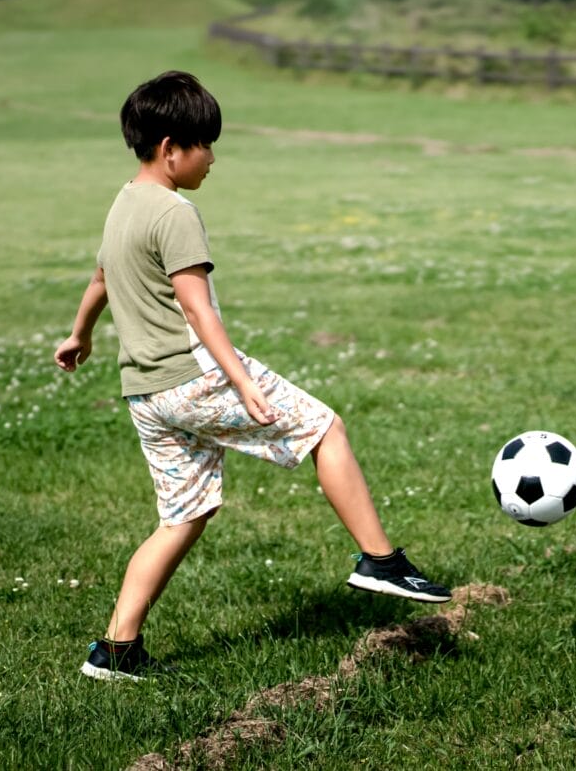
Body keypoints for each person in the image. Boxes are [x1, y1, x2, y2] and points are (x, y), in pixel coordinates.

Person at [54, 70, 451, 681]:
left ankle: (115, 650)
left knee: (182, 516)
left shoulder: (122, 204)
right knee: (325, 428)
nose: (212, 157)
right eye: (205, 145)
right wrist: (241, 381)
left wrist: (80, 334)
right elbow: (196, 306)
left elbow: (102, 278)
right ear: (169, 149)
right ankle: (380, 560)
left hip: (145, 392)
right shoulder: (175, 212)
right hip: (196, 379)